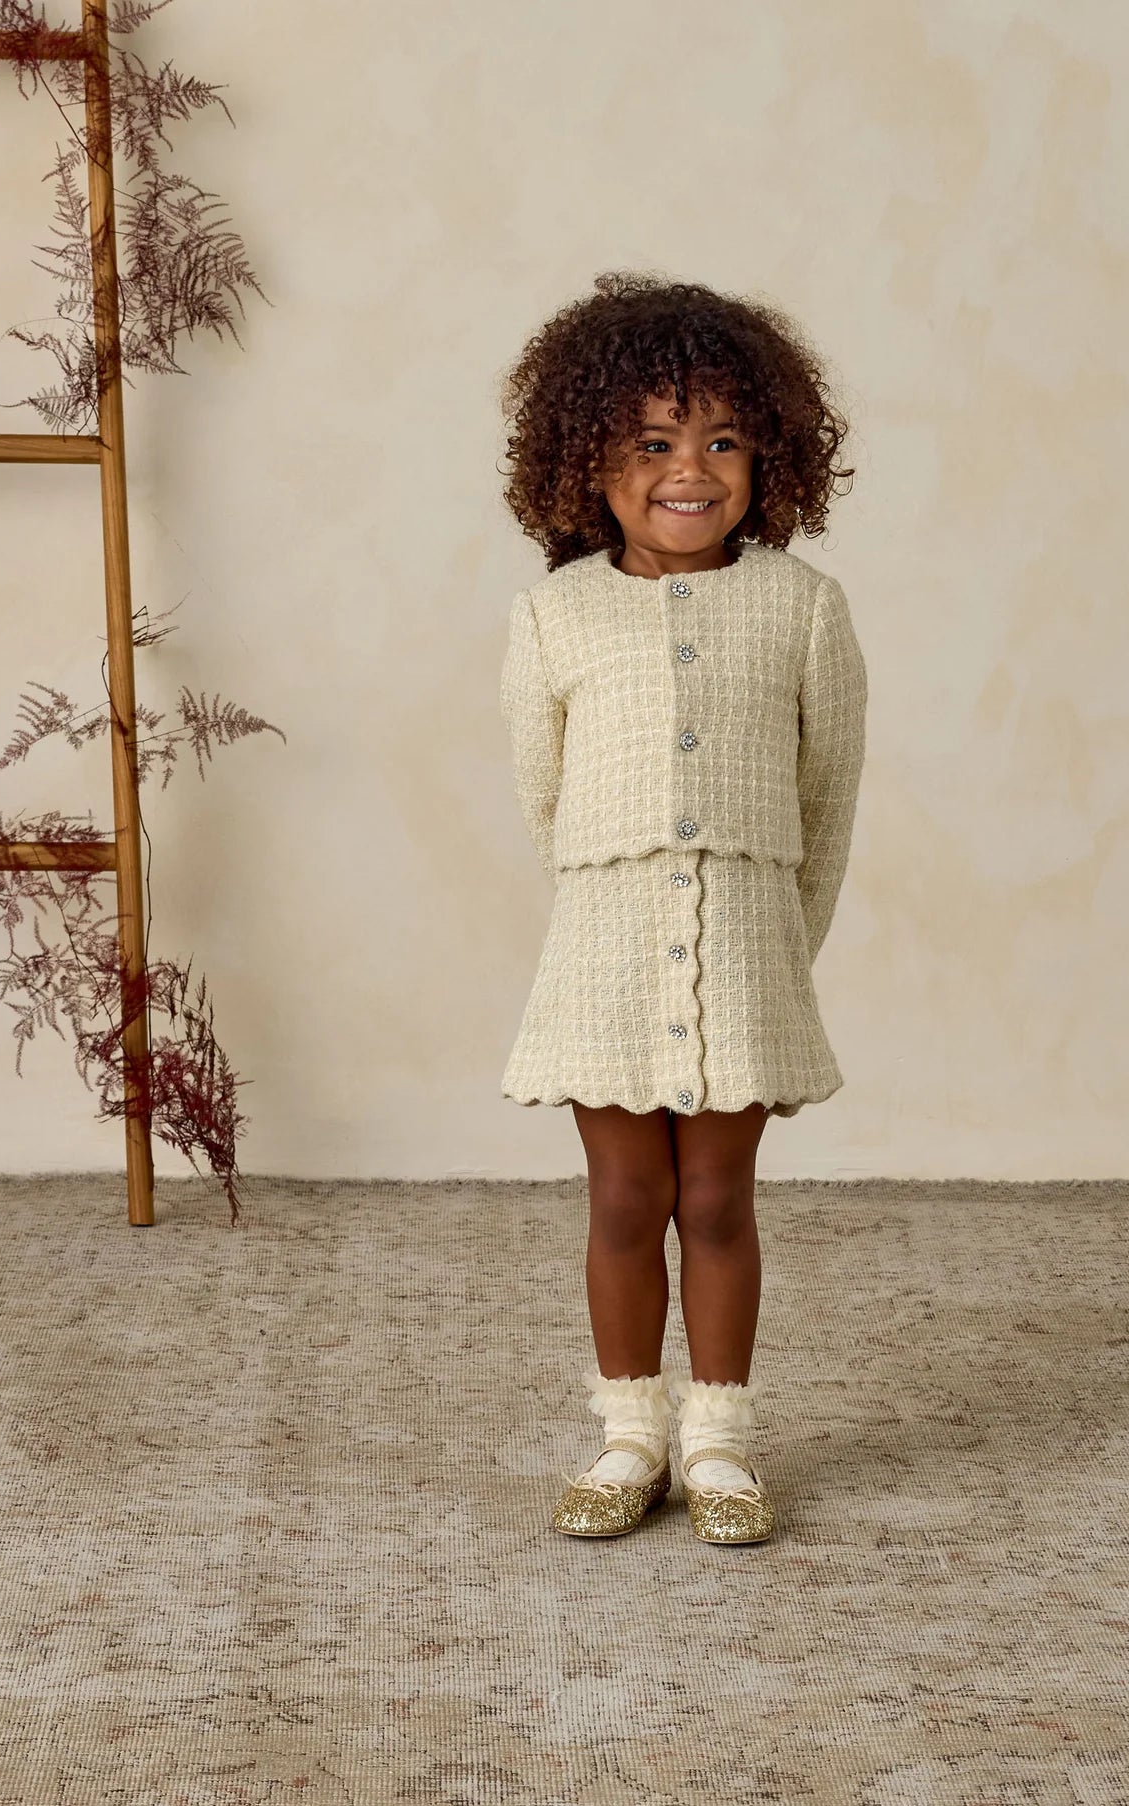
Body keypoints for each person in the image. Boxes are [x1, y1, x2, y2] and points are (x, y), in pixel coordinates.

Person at [496, 271, 867, 1546]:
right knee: (620, 1202)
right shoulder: (552, 615)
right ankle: (628, 1437)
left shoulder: (803, 607)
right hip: (601, 951)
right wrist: (615, 901)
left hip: (747, 943)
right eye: (651, 444)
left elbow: (827, 799)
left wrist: (780, 946)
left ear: (769, 457)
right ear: (585, 463)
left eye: (721, 440)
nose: (688, 471)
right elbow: (545, 800)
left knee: (713, 1201)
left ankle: (715, 1441)